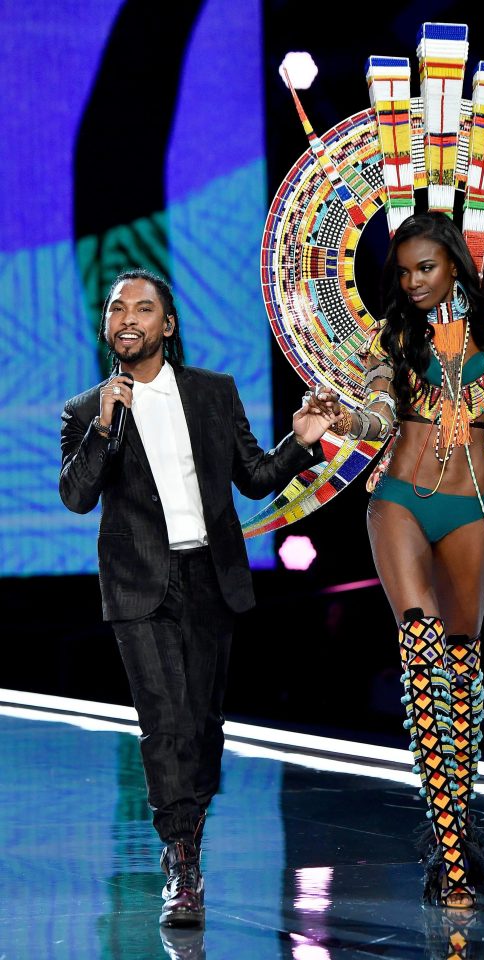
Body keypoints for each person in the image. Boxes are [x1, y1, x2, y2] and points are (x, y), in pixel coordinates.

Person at [310, 211, 484, 909]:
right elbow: (377, 416)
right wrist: (341, 422)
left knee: (462, 679)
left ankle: (454, 835)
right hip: (399, 502)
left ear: (456, 268)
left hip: (469, 513)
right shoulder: (393, 338)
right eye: (403, 272)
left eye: (425, 268)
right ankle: (451, 866)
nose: (413, 282)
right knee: (423, 649)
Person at [59, 267, 340, 928]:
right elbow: (76, 496)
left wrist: (300, 441)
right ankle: (181, 860)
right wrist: (104, 428)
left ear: (168, 324)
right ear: (107, 326)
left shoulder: (213, 393)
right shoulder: (85, 409)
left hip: (210, 580)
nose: (128, 318)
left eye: (144, 308)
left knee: (203, 726)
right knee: (165, 722)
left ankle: (188, 834)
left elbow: (256, 476)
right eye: (117, 308)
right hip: (138, 586)